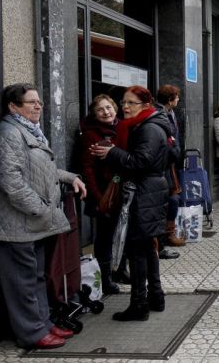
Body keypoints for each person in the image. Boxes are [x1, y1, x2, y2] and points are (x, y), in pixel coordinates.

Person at [0, 83, 87, 349]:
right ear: (13, 106)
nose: (38, 106)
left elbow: (43, 168)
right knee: (22, 282)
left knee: (36, 276)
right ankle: (31, 333)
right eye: (31, 102)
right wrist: (40, 207)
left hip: (32, 223)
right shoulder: (8, 133)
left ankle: (43, 324)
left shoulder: (29, 131)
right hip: (15, 223)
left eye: (39, 101)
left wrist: (70, 177)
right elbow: (10, 181)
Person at [90, 85, 170, 321]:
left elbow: (140, 161)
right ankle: (155, 296)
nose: (124, 107)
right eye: (123, 102)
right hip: (147, 191)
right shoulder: (145, 125)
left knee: (137, 249)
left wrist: (112, 152)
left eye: (130, 103)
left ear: (145, 106)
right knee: (147, 247)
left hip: (144, 193)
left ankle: (139, 305)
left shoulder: (149, 128)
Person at [79, 94, 124, 295]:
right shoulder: (91, 135)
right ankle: (105, 279)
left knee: (123, 233)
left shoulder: (123, 128)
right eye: (100, 109)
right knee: (105, 238)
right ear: (94, 114)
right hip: (104, 194)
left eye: (109, 107)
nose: (106, 112)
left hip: (123, 190)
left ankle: (121, 271)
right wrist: (98, 197)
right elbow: (87, 169)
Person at [155, 84, 184, 259]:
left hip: (172, 163)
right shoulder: (161, 114)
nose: (178, 100)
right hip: (164, 164)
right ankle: (165, 237)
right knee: (170, 199)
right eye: (177, 97)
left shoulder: (170, 113)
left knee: (174, 197)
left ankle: (167, 234)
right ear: (170, 99)